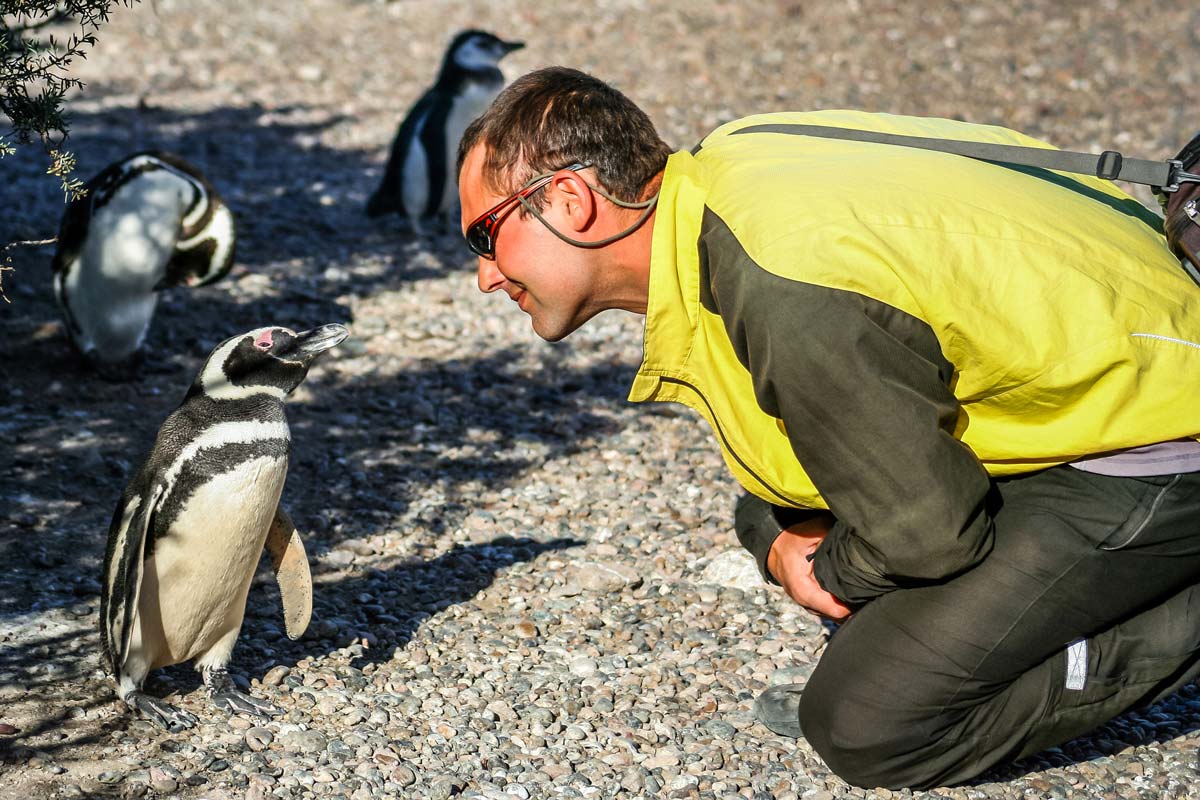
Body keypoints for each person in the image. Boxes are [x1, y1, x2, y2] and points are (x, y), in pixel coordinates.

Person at [456, 66, 1200, 789]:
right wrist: (773, 536)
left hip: (1164, 425)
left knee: (869, 721)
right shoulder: (736, 169)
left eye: (484, 238)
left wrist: (826, 569)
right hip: (1120, 361)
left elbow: (929, 534)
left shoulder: (781, 279)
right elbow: (801, 441)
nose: (485, 275)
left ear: (568, 198)